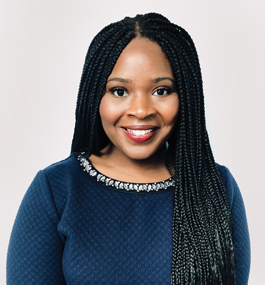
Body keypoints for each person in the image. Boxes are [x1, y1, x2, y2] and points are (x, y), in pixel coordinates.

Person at [6, 13, 250, 284]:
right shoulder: (56, 191)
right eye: (119, 91)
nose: (141, 110)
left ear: (186, 97)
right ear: (95, 97)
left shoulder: (217, 188)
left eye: (161, 90)